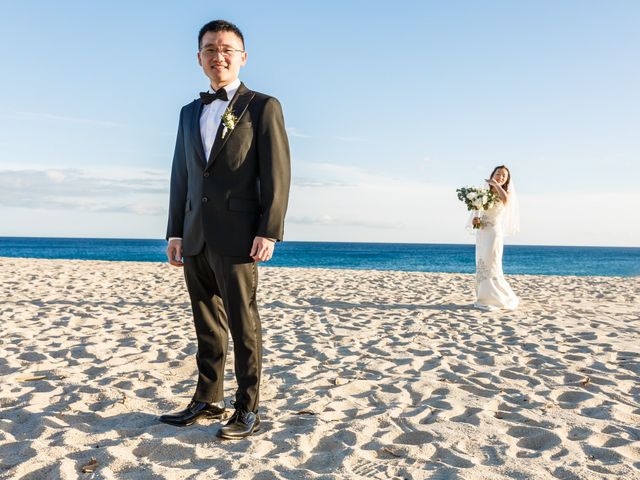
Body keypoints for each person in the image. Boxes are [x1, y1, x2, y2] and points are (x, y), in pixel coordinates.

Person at [160, 19, 291, 440]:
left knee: (243, 323)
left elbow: (277, 173)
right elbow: (181, 175)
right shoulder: (187, 112)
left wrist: (269, 230)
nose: (219, 56)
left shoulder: (262, 106)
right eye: (210, 49)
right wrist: (175, 231)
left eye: (227, 49)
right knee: (206, 322)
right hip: (195, 234)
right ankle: (207, 398)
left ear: (242, 57)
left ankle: (248, 407)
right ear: (199, 59)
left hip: (238, 235)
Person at [471, 165, 519, 311]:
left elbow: (505, 200)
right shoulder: (483, 193)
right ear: (493, 174)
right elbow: (478, 211)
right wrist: (476, 220)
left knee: (492, 263)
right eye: (498, 174)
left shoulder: (506, 192)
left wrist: (497, 185)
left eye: (504, 175)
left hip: (493, 233)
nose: (500, 176)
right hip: (482, 232)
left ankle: (496, 297)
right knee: (482, 262)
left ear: (507, 179)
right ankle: (483, 296)